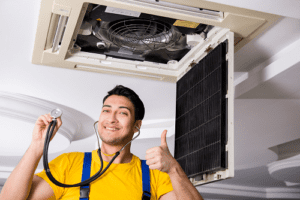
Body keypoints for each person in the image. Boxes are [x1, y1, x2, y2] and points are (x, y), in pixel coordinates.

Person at [0, 85, 203, 200]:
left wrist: (174, 169)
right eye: (106, 110)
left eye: (122, 113)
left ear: (136, 126)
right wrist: (37, 145)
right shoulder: (70, 164)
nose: (111, 118)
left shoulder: (154, 174)